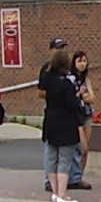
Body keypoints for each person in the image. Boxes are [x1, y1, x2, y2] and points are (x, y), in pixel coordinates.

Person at [40, 48, 85, 202]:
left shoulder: (48, 80)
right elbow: (71, 104)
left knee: (52, 158)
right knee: (65, 159)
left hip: (50, 120)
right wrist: (78, 97)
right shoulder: (67, 83)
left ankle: (54, 192)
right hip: (65, 123)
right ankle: (62, 194)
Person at [39, 36, 69, 192]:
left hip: (65, 116)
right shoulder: (47, 70)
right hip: (53, 113)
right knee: (52, 151)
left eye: (63, 48)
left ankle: (67, 179)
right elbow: (40, 92)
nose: (61, 51)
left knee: (67, 152)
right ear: (51, 50)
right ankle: (49, 181)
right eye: (58, 48)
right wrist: (55, 95)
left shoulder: (68, 71)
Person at [66, 50, 95, 190]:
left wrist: (84, 96)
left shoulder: (86, 79)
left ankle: (79, 176)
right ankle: (73, 176)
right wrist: (81, 95)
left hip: (87, 113)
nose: (83, 64)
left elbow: (92, 98)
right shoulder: (71, 78)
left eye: (84, 61)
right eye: (79, 61)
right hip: (76, 115)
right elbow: (74, 96)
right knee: (81, 147)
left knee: (86, 149)